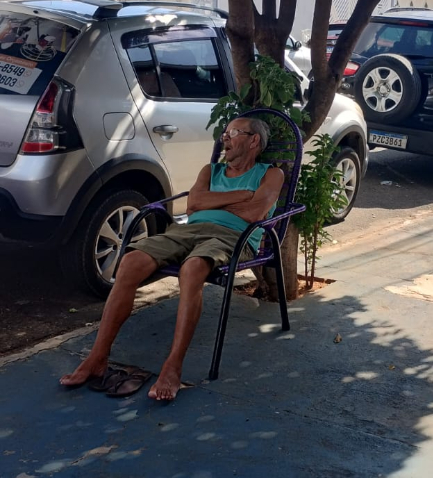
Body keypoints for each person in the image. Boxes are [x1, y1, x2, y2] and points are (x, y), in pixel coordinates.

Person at [60, 117, 284, 401]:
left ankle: (173, 366)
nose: (224, 138)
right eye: (225, 133)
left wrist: (217, 201)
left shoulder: (271, 174)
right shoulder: (211, 170)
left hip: (234, 236)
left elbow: (254, 214)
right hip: (187, 231)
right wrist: (242, 195)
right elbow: (193, 204)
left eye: (233, 133)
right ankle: (97, 358)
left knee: (192, 269)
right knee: (130, 262)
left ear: (254, 141)